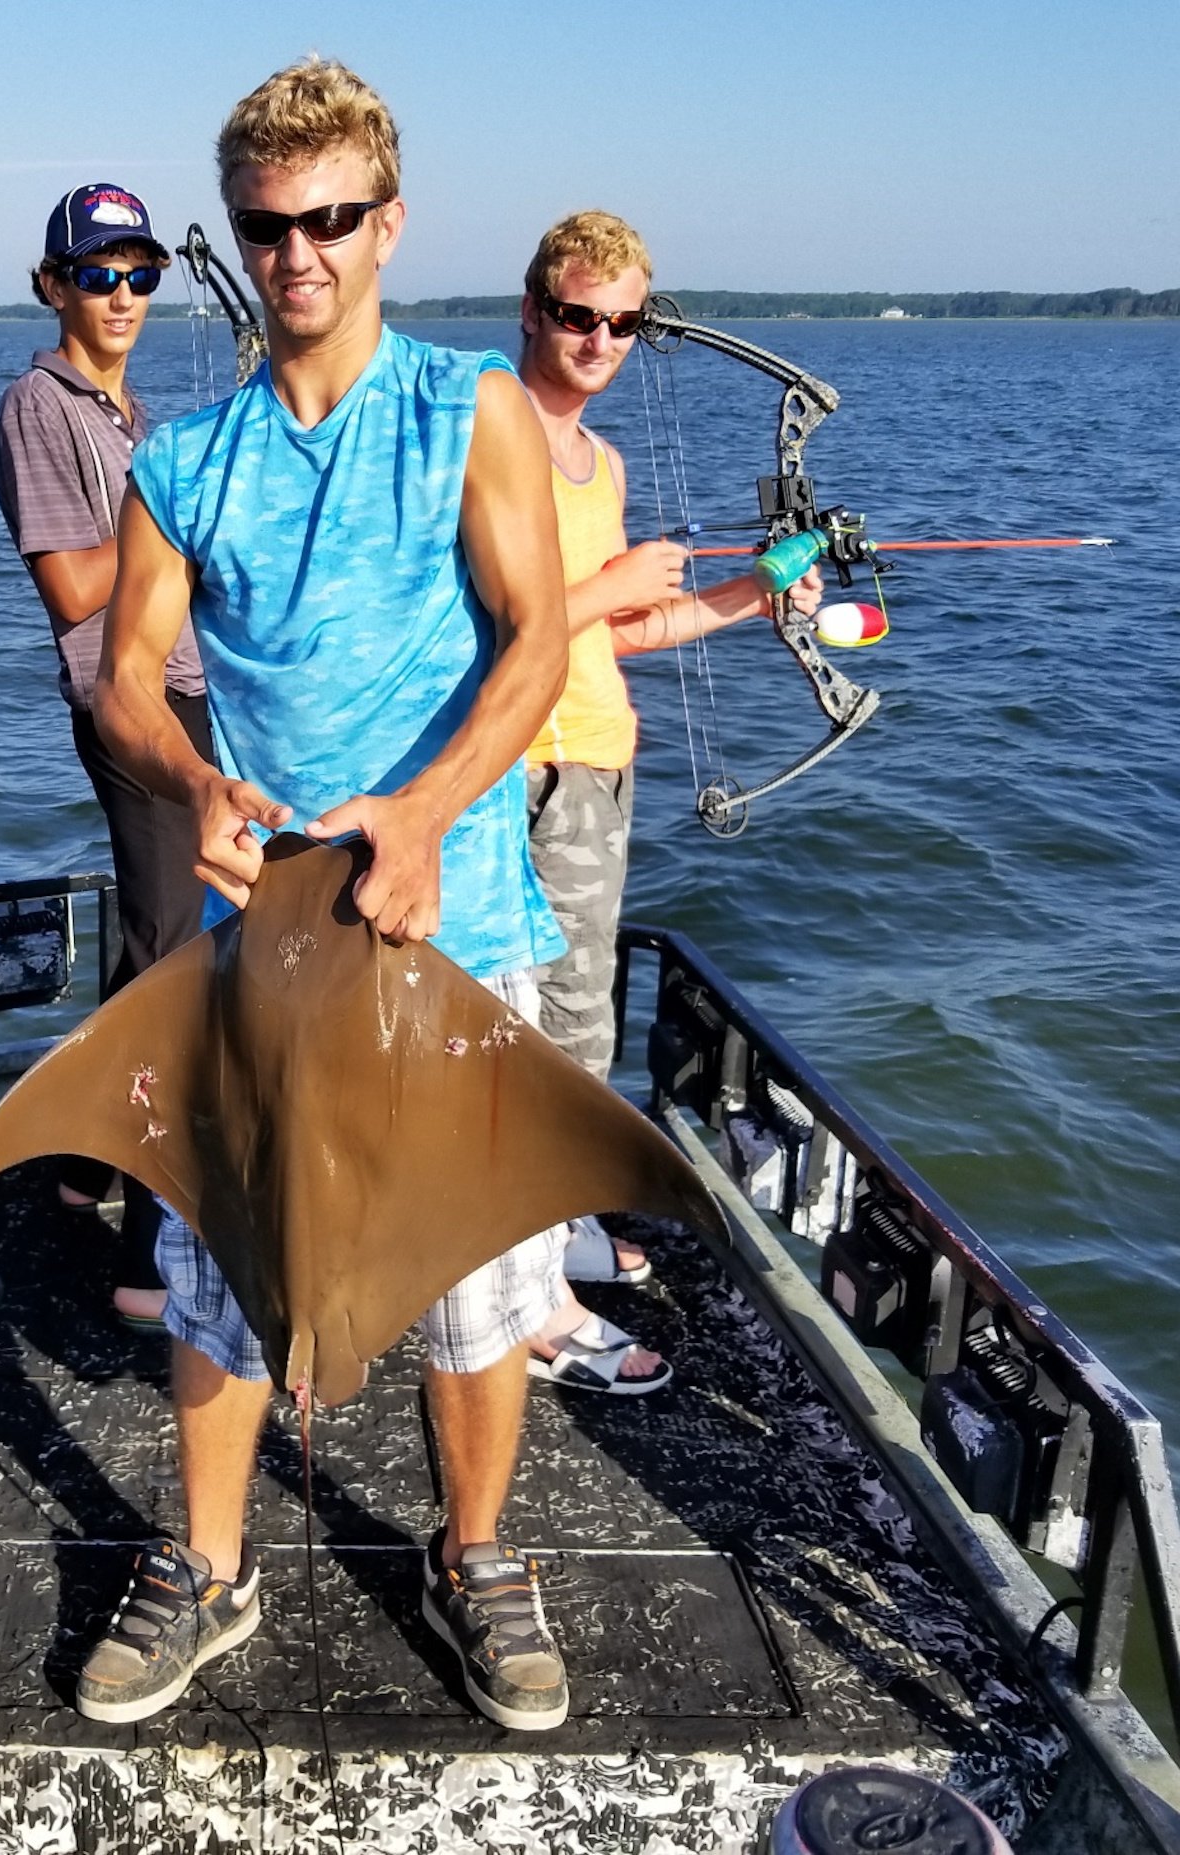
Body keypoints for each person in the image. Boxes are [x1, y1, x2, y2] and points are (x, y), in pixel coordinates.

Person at [82, 57, 577, 1732]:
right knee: (221, 1266)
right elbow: (125, 679)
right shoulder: (184, 458)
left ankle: (476, 1555)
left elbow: (540, 642)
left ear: (390, 223)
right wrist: (194, 782)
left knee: (477, 1284)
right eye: (266, 226)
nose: (298, 253)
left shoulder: (473, 408)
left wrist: (427, 811)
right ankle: (210, 1565)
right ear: (237, 234)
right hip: (268, 951)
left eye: (332, 219)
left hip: (455, 929)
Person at [513, 211, 824, 1391]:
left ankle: (543, 1229)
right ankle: (525, 1298)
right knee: (547, 1034)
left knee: (578, 1023)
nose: (599, 340)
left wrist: (751, 592)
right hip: (520, 770)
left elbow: (617, 631)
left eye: (623, 323)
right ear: (532, 309)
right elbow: (480, 621)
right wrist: (607, 585)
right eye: (576, 315)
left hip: (595, 765)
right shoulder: (491, 441)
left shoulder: (599, 462)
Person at [0, 184, 211, 1331]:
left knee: (151, 939)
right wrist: (177, 523)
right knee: (178, 963)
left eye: (138, 276)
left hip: (186, 691)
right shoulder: (37, 405)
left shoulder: (135, 415)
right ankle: (145, 1255)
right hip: (131, 706)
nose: (119, 295)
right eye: (95, 274)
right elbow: (73, 585)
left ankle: (81, 1163)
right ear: (51, 285)